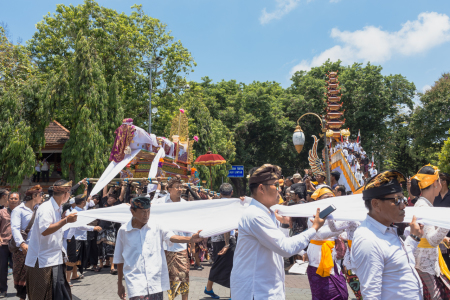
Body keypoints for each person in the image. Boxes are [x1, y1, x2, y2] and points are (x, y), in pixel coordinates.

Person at [230, 164, 325, 299]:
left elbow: (277, 244)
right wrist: (314, 229)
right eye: (276, 185)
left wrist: (283, 223)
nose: (280, 189)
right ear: (261, 188)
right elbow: (285, 247)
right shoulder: (256, 215)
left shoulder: (266, 212)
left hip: (265, 289)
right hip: (256, 291)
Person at [351, 170, 424, 299]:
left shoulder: (386, 229)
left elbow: (396, 261)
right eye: (397, 200)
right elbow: (371, 295)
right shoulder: (368, 239)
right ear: (376, 204)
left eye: (403, 199)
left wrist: (414, 238)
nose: (403, 206)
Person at [113, 196, 203, 300]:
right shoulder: (123, 231)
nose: (146, 215)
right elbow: (119, 259)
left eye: (148, 211)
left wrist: (189, 239)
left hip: (155, 281)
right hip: (135, 282)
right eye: (142, 212)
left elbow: (171, 237)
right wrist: (119, 284)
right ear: (132, 212)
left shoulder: (157, 225)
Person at [25, 180, 78, 300]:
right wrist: (65, 221)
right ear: (66, 194)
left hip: (55, 258)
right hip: (42, 261)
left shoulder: (58, 208)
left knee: (59, 294)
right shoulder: (46, 208)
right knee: (42, 295)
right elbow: (45, 230)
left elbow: (54, 228)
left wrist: (63, 221)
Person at [411, 165, 450, 298]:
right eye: (439, 180)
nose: (441, 183)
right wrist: (447, 223)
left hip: (427, 262)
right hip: (425, 264)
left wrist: (443, 237)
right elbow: (432, 240)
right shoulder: (423, 206)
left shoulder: (425, 204)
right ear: (435, 183)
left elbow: (428, 235)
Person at [153, 176, 194, 300]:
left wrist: (191, 245)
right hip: (164, 246)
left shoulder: (185, 205)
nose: (180, 189)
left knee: (184, 276)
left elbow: (189, 225)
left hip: (181, 246)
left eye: (181, 187)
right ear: (169, 189)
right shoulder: (160, 203)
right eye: (177, 187)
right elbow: (149, 211)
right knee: (169, 278)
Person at [306, 186, 349, 300]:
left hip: (331, 255)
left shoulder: (333, 214)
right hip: (317, 257)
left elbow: (338, 232)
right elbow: (320, 234)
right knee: (325, 292)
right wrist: (343, 228)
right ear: (318, 199)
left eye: (332, 197)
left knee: (341, 293)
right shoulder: (312, 214)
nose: (330, 199)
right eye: (326, 197)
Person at [205, 183, 236, 299]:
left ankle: (208, 288)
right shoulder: (229, 205)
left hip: (216, 238)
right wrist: (227, 244)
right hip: (226, 240)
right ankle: (233, 295)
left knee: (217, 264)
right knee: (233, 267)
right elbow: (226, 225)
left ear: (220, 193)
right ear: (232, 192)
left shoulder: (215, 204)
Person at [10, 186, 42, 300]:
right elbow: (15, 228)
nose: (42, 197)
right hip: (23, 251)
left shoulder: (40, 209)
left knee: (36, 279)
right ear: (34, 196)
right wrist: (22, 244)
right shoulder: (18, 210)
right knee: (22, 279)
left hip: (38, 250)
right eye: (40, 195)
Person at [65, 194, 102, 286]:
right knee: (72, 258)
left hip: (78, 238)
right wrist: (93, 228)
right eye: (85, 201)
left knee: (76, 258)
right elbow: (77, 226)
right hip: (74, 238)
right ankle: (67, 280)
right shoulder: (75, 212)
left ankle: (73, 275)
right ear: (82, 202)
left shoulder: (80, 210)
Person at [433, 172, 450, 268]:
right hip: (437, 232)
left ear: (443, 182)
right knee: (442, 259)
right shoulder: (435, 197)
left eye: (437, 180)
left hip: (449, 230)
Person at [0, 189, 11, 298]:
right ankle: (3, 289)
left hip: (14, 243)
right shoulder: (1, 211)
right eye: (9, 196)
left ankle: (20, 288)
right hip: (3, 243)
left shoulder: (16, 210)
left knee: (16, 267)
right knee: (2, 268)